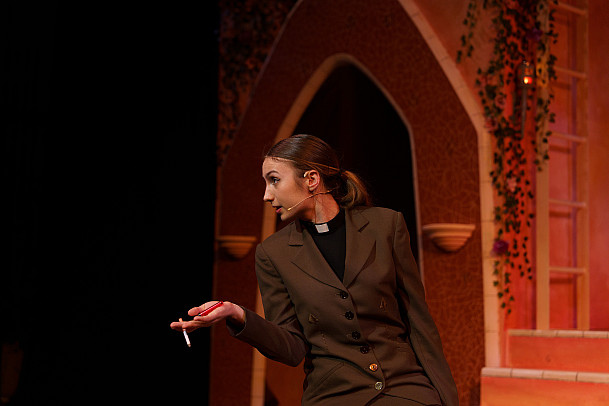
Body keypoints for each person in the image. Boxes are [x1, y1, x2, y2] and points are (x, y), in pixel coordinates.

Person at [171, 134, 458, 405]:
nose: (266, 195)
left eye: (274, 180)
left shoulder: (386, 226)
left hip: (404, 388)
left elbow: (420, 323)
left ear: (311, 179)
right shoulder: (273, 254)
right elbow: (291, 348)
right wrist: (237, 314)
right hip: (333, 394)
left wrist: (446, 398)